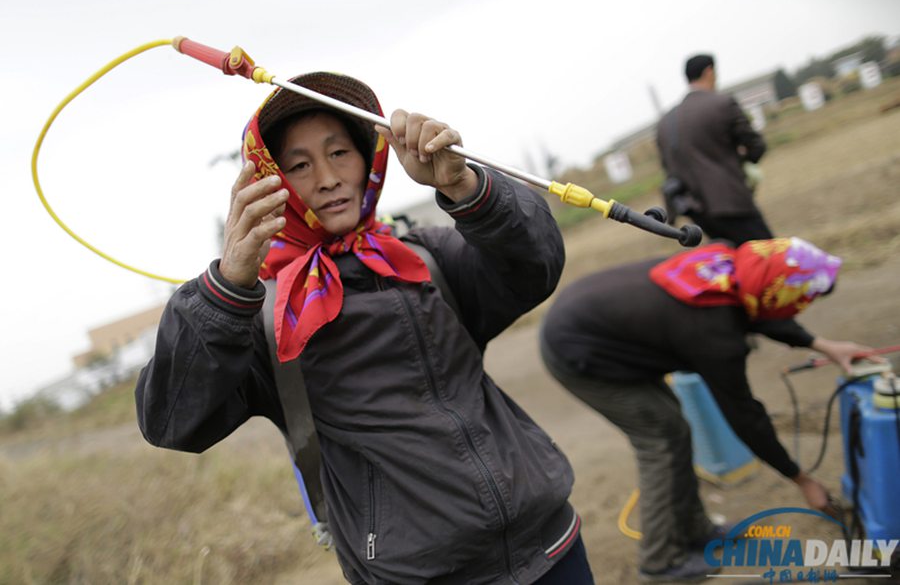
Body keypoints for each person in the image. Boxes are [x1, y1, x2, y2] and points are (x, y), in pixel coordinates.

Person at [135, 72, 595, 585]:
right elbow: (172, 421)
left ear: (369, 157)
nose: (328, 178)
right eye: (299, 165)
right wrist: (225, 288)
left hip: (552, 543)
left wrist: (466, 188)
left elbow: (536, 266)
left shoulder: (426, 257)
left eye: (339, 153)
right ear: (269, 184)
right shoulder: (264, 317)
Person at [539, 237, 878, 582]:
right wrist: (801, 479)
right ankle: (659, 563)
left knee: (674, 429)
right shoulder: (715, 334)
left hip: (594, 322)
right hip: (581, 353)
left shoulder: (728, 268)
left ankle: (695, 529)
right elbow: (745, 416)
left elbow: (757, 308)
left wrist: (824, 345)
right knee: (662, 440)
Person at [657, 54, 771, 245]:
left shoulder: (665, 122)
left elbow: (668, 167)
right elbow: (756, 147)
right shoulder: (722, 103)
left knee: (732, 263)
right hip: (732, 202)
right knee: (768, 257)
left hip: (695, 212)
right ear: (709, 71)